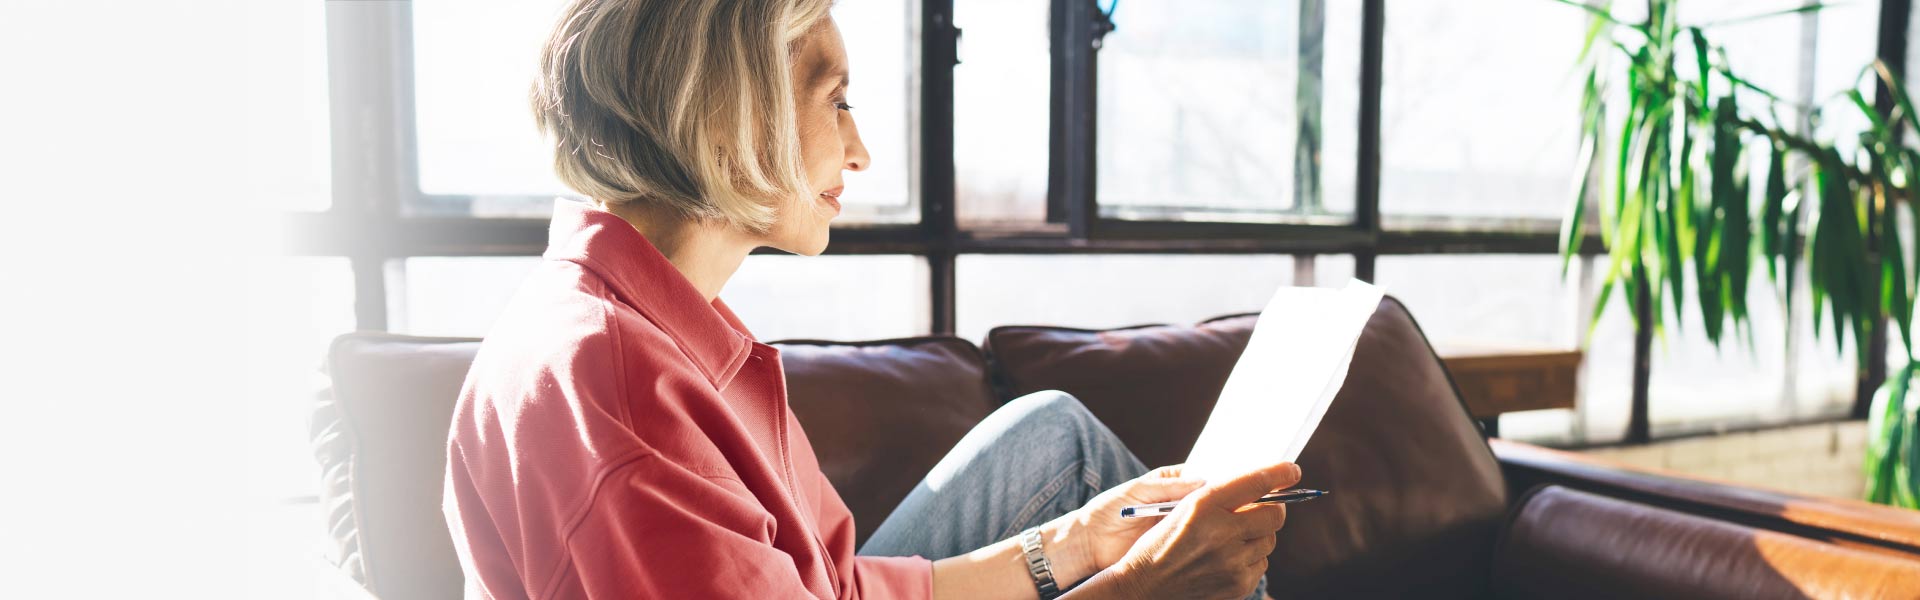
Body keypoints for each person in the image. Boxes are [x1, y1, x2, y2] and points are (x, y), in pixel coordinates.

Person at [442, 0, 1299, 598]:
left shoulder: (654, 324)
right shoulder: (615, 381)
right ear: (731, 114)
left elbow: (836, 587)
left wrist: (1075, 547)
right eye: (837, 101)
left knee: (1057, 440)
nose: (859, 152)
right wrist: (1143, 587)